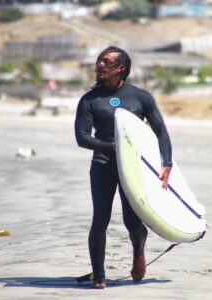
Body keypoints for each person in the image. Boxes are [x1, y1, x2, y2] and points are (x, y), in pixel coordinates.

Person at [74, 46, 172, 289]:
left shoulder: (141, 97)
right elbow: (82, 137)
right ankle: (99, 275)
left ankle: (138, 252)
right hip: (103, 163)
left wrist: (166, 163)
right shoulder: (89, 100)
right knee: (100, 219)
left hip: (132, 166)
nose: (100, 65)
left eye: (107, 62)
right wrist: (112, 147)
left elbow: (161, 132)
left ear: (121, 67)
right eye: (99, 61)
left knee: (132, 221)